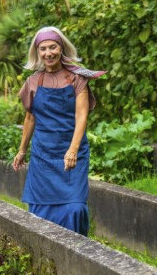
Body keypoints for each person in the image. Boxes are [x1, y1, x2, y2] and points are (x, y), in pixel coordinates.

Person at [12, 26, 106, 236]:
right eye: (43, 49)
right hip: (42, 154)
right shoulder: (33, 81)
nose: (48, 53)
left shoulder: (77, 79)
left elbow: (81, 115)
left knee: (74, 206)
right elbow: (30, 117)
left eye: (52, 47)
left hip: (72, 154)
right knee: (40, 208)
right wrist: (21, 151)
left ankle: (76, 250)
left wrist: (72, 150)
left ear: (61, 48)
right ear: (37, 53)